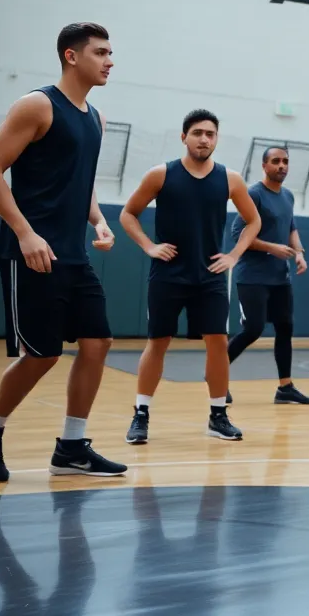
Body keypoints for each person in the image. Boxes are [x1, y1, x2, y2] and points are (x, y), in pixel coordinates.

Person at [0, 22, 127, 482]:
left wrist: (99, 220)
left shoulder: (96, 118)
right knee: (42, 355)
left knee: (98, 343)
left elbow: (81, 182)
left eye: (111, 52)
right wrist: (25, 233)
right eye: (101, 52)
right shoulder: (37, 105)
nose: (110, 61)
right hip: (30, 252)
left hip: (74, 253)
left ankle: (72, 447)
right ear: (72, 57)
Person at [119, 109, 260, 444]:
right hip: (168, 274)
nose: (204, 139)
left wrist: (234, 255)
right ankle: (141, 414)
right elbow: (128, 214)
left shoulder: (230, 179)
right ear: (184, 137)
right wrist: (149, 247)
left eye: (210, 134)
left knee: (218, 344)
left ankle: (218, 416)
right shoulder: (161, 175)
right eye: (197, 133)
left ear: (216, 139)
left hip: (209, 277)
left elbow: (253, 221)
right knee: (158, 343)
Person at [224, 146, 309, 405]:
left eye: (285, 161)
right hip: (252, 276)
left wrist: (299, 252)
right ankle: (216, 375)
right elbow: (237, 233)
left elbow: (291, 227)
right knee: (252, 329)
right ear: (264, 166)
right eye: (275, 161)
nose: (281, 166)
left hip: (279, 278)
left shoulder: (287, 196)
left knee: (285, 328)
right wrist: (270, 247)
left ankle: (285, 388)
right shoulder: (253, 194)